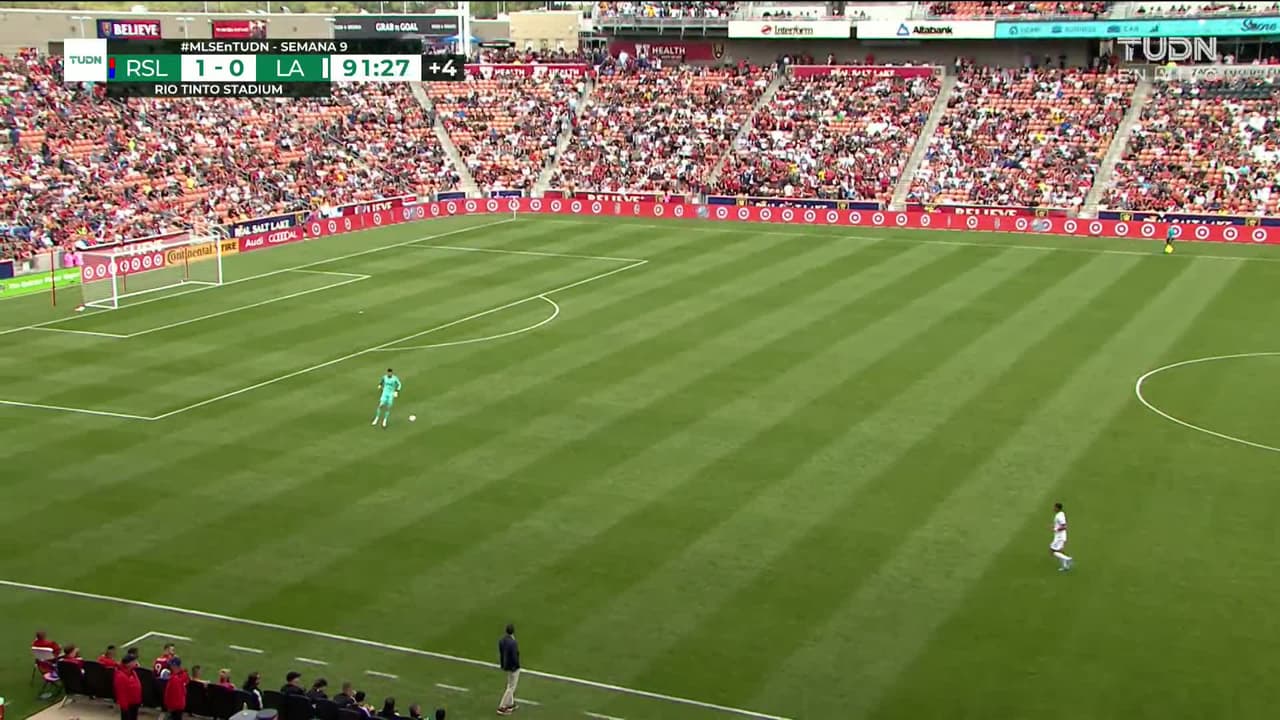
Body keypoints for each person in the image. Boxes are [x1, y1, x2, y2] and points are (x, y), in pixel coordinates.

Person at [497, 623, 520, 715]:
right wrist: (516, 666)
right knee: (511, 687)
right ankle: (502, 707)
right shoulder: (513, 642)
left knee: (510, 684)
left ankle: (510, 704)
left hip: (506, 665)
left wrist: (503, 664)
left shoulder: (502, 640)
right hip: (513, 667)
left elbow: (501, 653)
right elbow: (514, 656)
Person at [114, 655, 144, 720]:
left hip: (135, 703)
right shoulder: (120, 676)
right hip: (128, 706)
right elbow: (121, 693)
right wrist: (124, 707)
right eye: (134, 661)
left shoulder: (133, 672)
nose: (136, 663)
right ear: (128, 664)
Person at [1050, 502, 1074, 571]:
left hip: (1059, 537)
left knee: (1052, 551)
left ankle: (1067, 559)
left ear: (1057, 508)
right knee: (1060, 551)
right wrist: (1055, 526)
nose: (1053, 508)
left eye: (1054, 507)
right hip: (1060, 536)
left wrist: (1055, 529)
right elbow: (1060, 524)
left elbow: (1064, 526)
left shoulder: (1059, 516)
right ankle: (1065, 567)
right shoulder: (1061, 513)